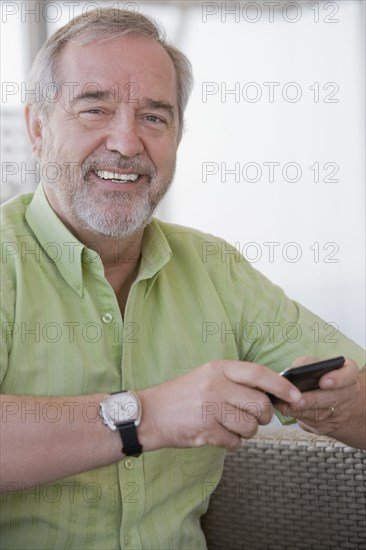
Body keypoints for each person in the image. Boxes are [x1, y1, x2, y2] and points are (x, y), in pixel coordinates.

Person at [0, 7, 365, 550]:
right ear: (37, 127)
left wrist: (336, 406)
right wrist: (148, 416)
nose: (125, 142)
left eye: (154, 116)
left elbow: (355, 392)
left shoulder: (216, 268)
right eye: (94, 108)